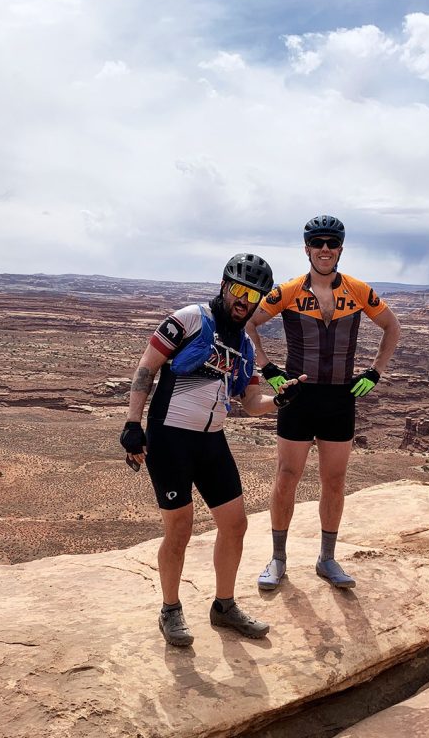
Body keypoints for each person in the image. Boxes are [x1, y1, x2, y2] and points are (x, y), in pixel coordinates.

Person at [120, 253, 306, 647]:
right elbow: (145, 369)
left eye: (253, 296)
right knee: (180, 528)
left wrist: (280, 401)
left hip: (211, 440)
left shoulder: (245, 346)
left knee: (236, 524)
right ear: (224, 286)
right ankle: (170, 609)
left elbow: (251, 402)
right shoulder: (188, 319)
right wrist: (133, 423)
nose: (244, 301)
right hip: (171, 438)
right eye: (239, 290)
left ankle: (223, 607)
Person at [247, 215, 401, 591]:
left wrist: (375, 372)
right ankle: (278, 559)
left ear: (341, 249)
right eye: (318, 243)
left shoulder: (359, 290)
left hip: (339, 398)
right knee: (287, 477)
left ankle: (327, 560)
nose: (325, 250)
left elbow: (392, 328)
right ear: (307, 249)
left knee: (334, 480)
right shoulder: (287, 291)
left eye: (332, 243)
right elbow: (249, 324)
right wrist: (268, 368)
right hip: (297, 395)